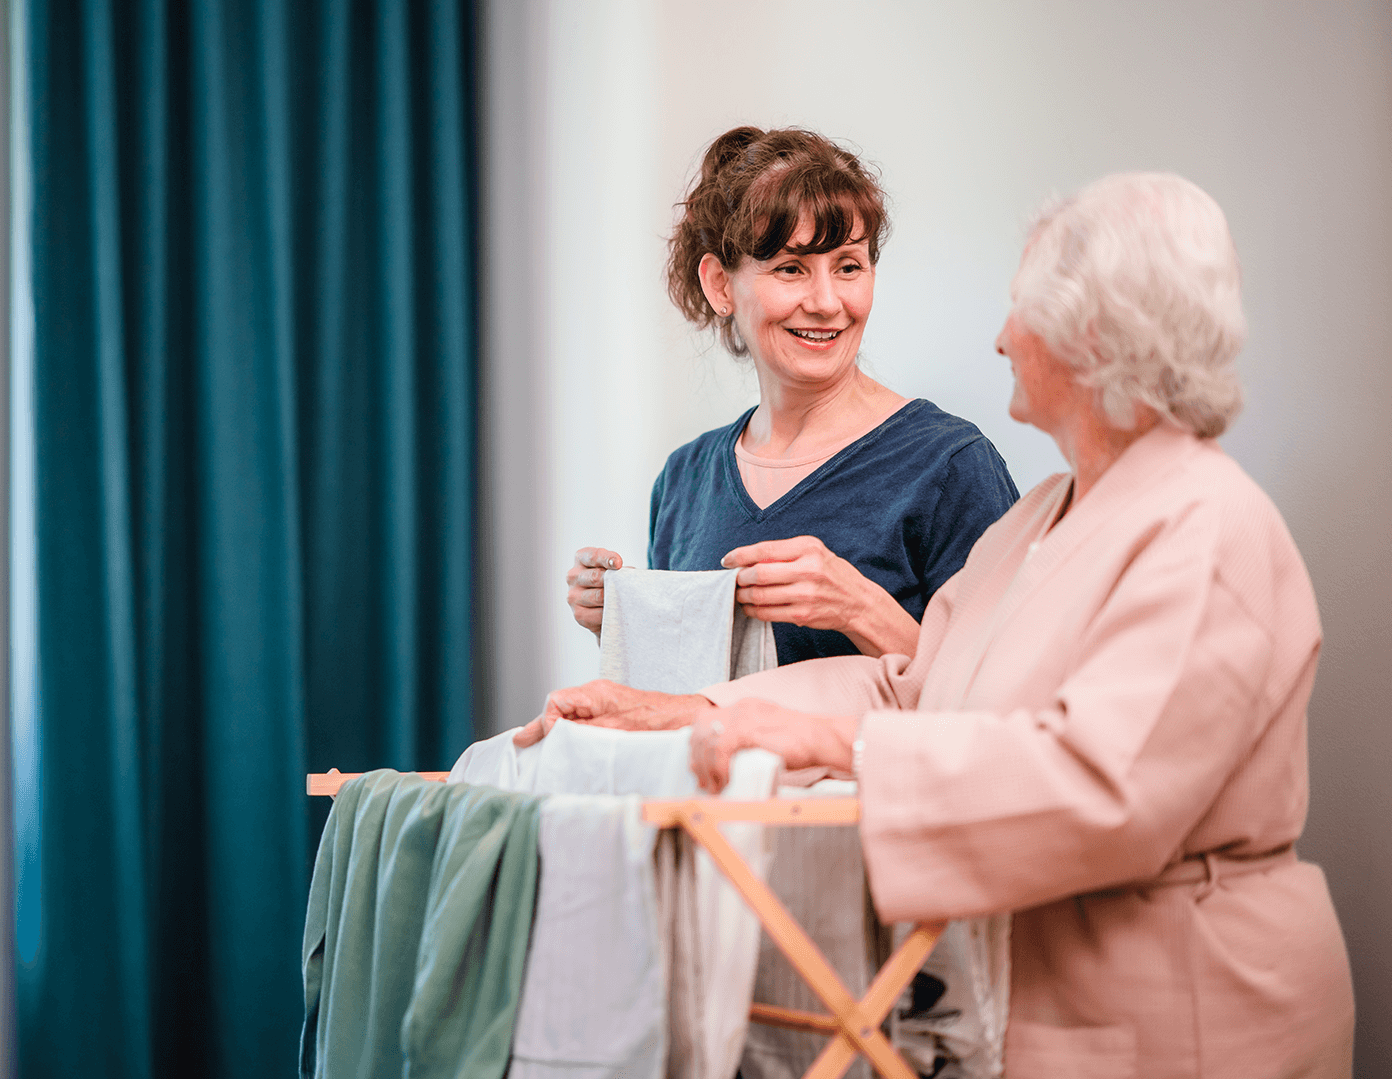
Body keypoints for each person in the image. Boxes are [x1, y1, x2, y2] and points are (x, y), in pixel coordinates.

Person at [521, 173, 1356, 1077]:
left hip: (1190, 1008)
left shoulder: (1206, 526)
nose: (999, 338)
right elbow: (911, 685)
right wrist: (692, 713)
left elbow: (1100, 788)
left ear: (1095, 338)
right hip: (1045, 995)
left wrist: (848, 749)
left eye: (1020, 312)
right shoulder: (1045, 516)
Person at [566, 126, 1017, 663]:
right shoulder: (684, 481)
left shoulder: (949, 466)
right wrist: (631, 620)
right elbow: (692, 699)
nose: (827, 302)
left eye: (849, 266)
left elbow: (1002, 703)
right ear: (720, 286)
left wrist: (857, 609)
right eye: (790, 269)